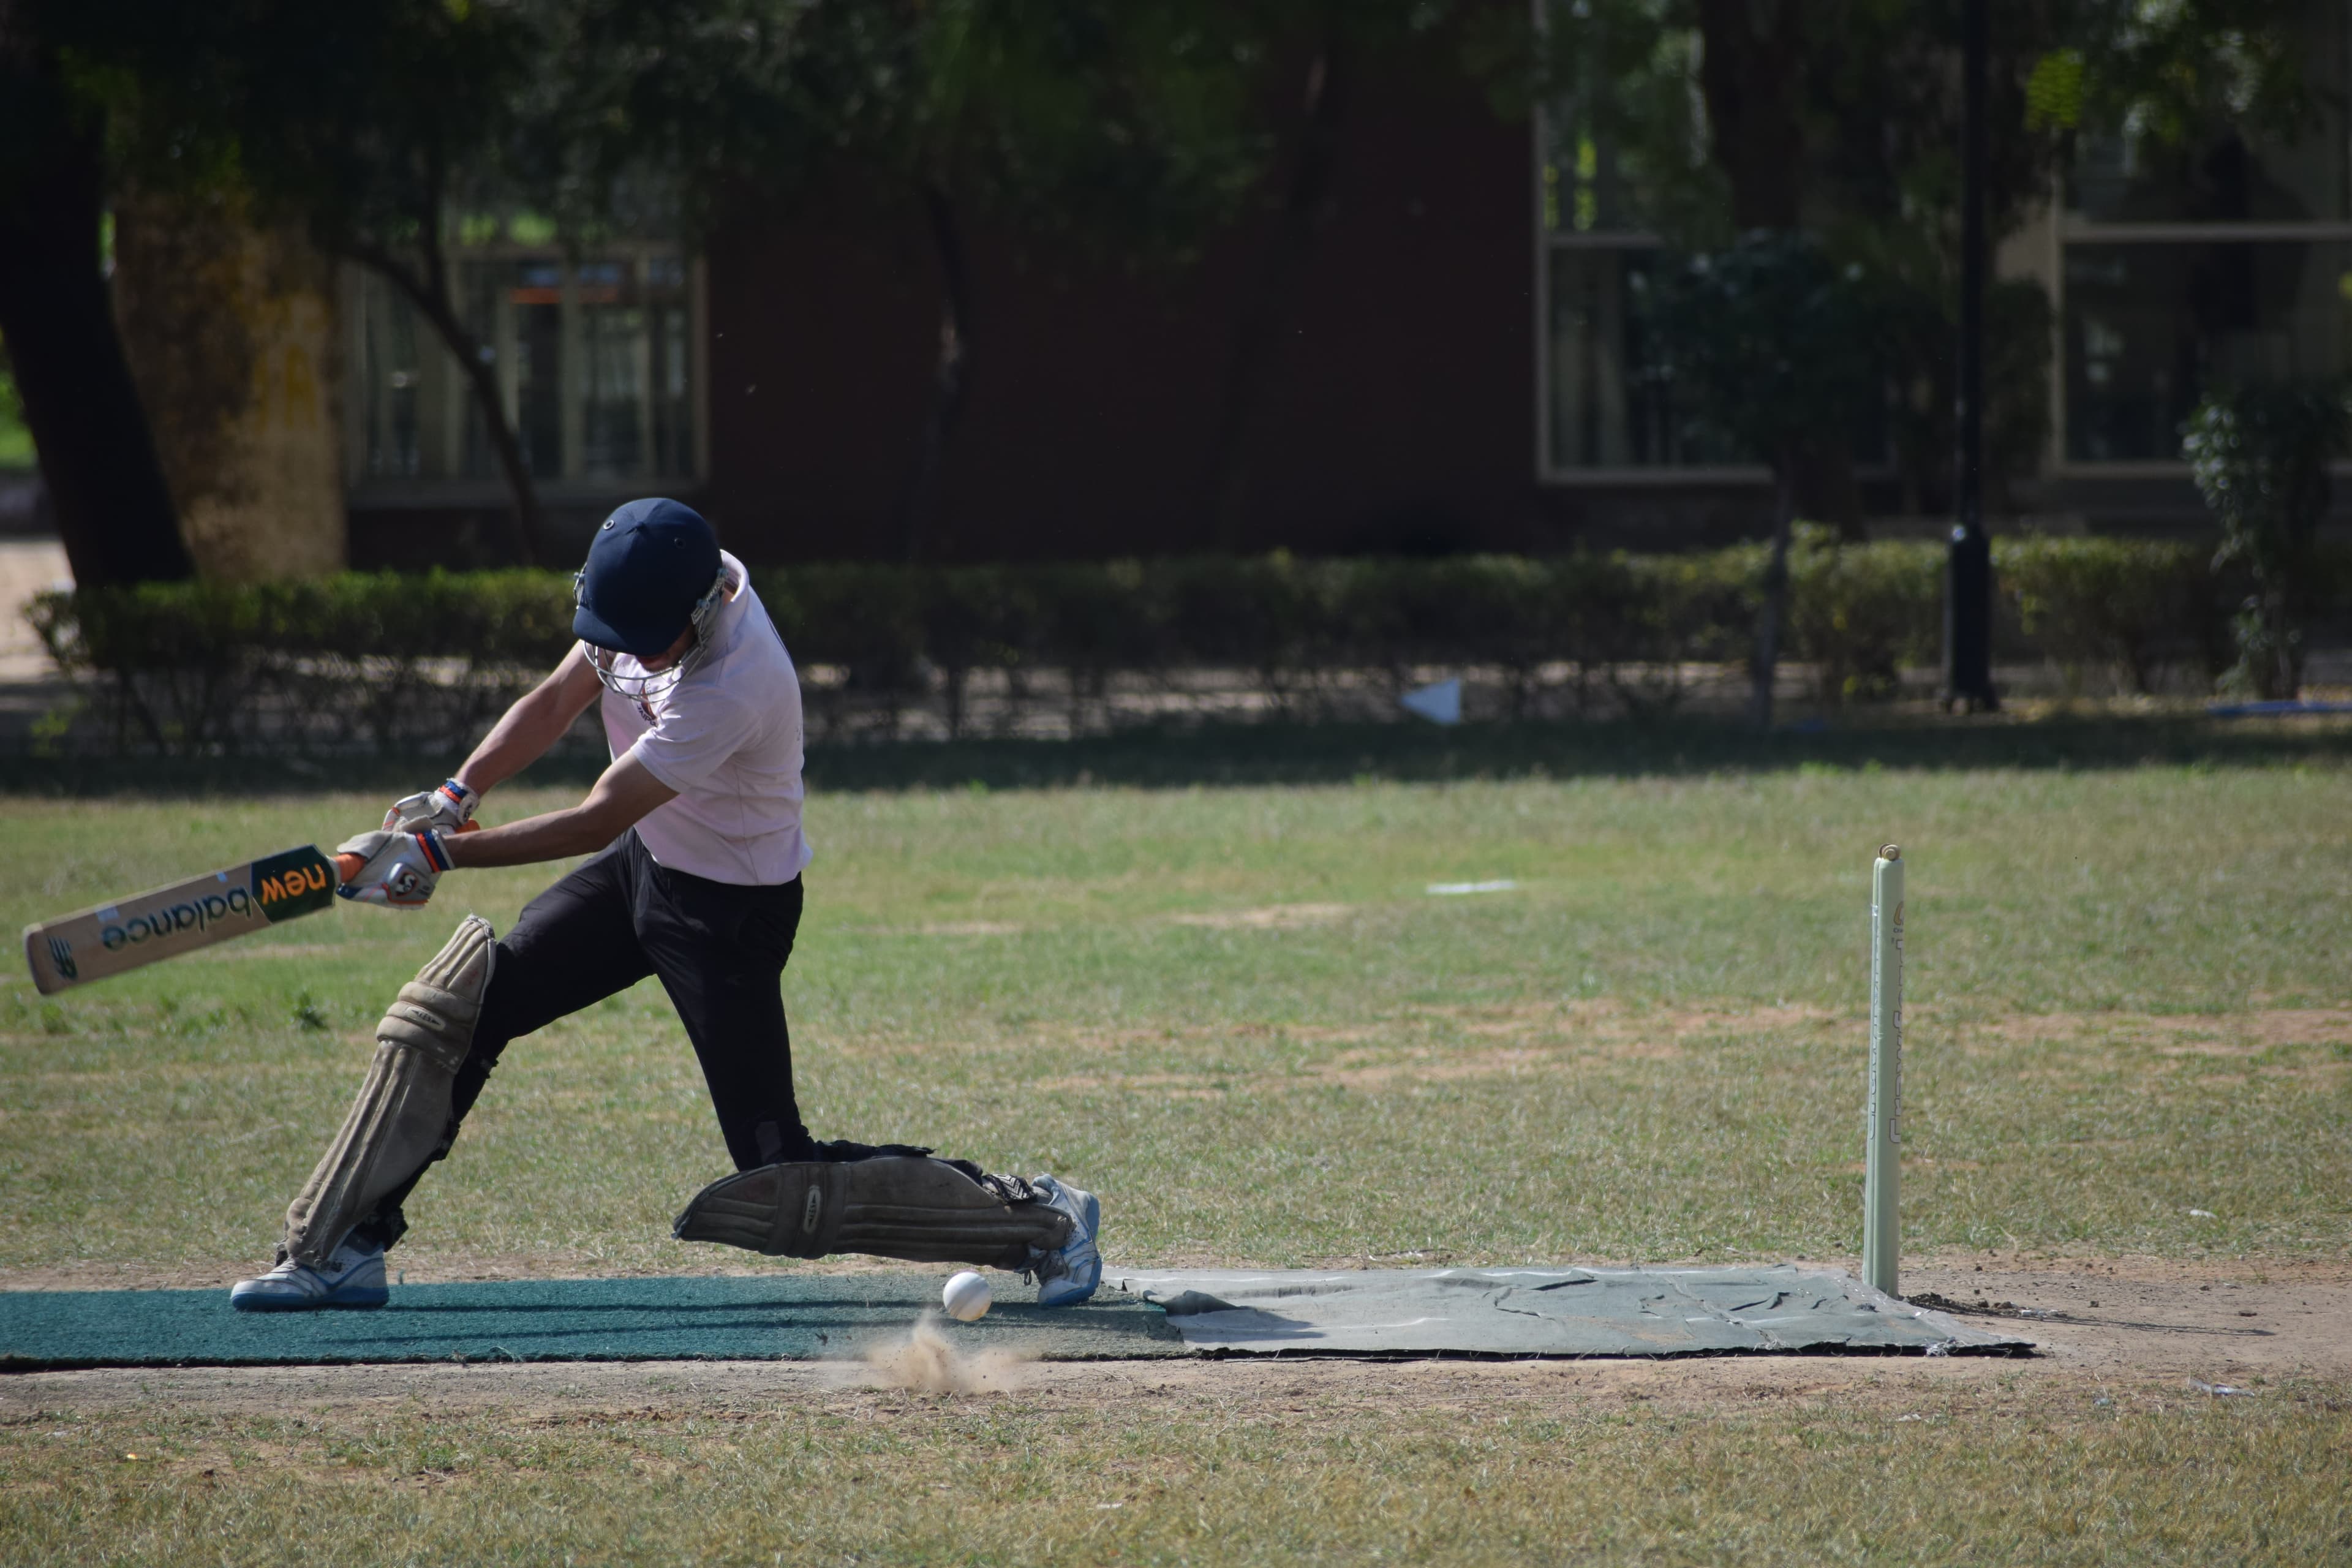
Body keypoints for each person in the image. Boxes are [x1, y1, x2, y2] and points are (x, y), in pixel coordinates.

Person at [231, 499, 1101, 1311]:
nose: (638, 658)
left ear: (704, 609)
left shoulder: (735, 681)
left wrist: (434, 855)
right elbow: (556, 699)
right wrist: (455, 795)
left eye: (653, 645)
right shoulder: (647, 594)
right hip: (643, 867)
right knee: (461, 1009)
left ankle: (1043, 1221)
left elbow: (596, 816)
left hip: (730, 914)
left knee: (778, 1171)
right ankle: (345, 1246)